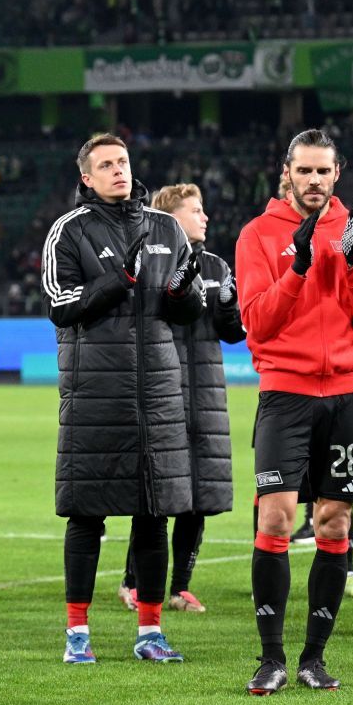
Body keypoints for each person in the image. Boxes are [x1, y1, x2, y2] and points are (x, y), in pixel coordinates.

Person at [233, 128, 353, 693]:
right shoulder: (257, 235)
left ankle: (313, 659)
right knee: (274, 519)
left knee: (335, 521)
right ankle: (271, 657)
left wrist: (351, 264)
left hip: (346, 394)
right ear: (288, 172)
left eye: (324, 171)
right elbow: (258, 322)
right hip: (285, 393)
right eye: (305, 171)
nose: (315, 181)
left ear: (337, 173)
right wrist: (298, 269)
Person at [42, 132, 205, 667]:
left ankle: (150, 631)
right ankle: (77, 633)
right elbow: (61, 305)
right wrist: (122, 278)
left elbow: (186, 313)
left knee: (153, 516)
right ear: (86, 176)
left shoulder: (164, 228)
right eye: (107, 165)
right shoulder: (69, 231)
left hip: (157, 395)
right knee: (86, 517)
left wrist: (185, 290)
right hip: (94, 395)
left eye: (124, 162)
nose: (119, 171)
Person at [117, 182, 245, 614]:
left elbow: (232, 333)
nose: (205, 216)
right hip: (161, 391)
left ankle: (180, 587)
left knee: (200, 493)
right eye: (195, 209)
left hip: (206, 393)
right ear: (170, 218)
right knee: (156, 492)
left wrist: (229, 303)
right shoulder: (151, 262)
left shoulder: (215, 265)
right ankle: (132, 582)